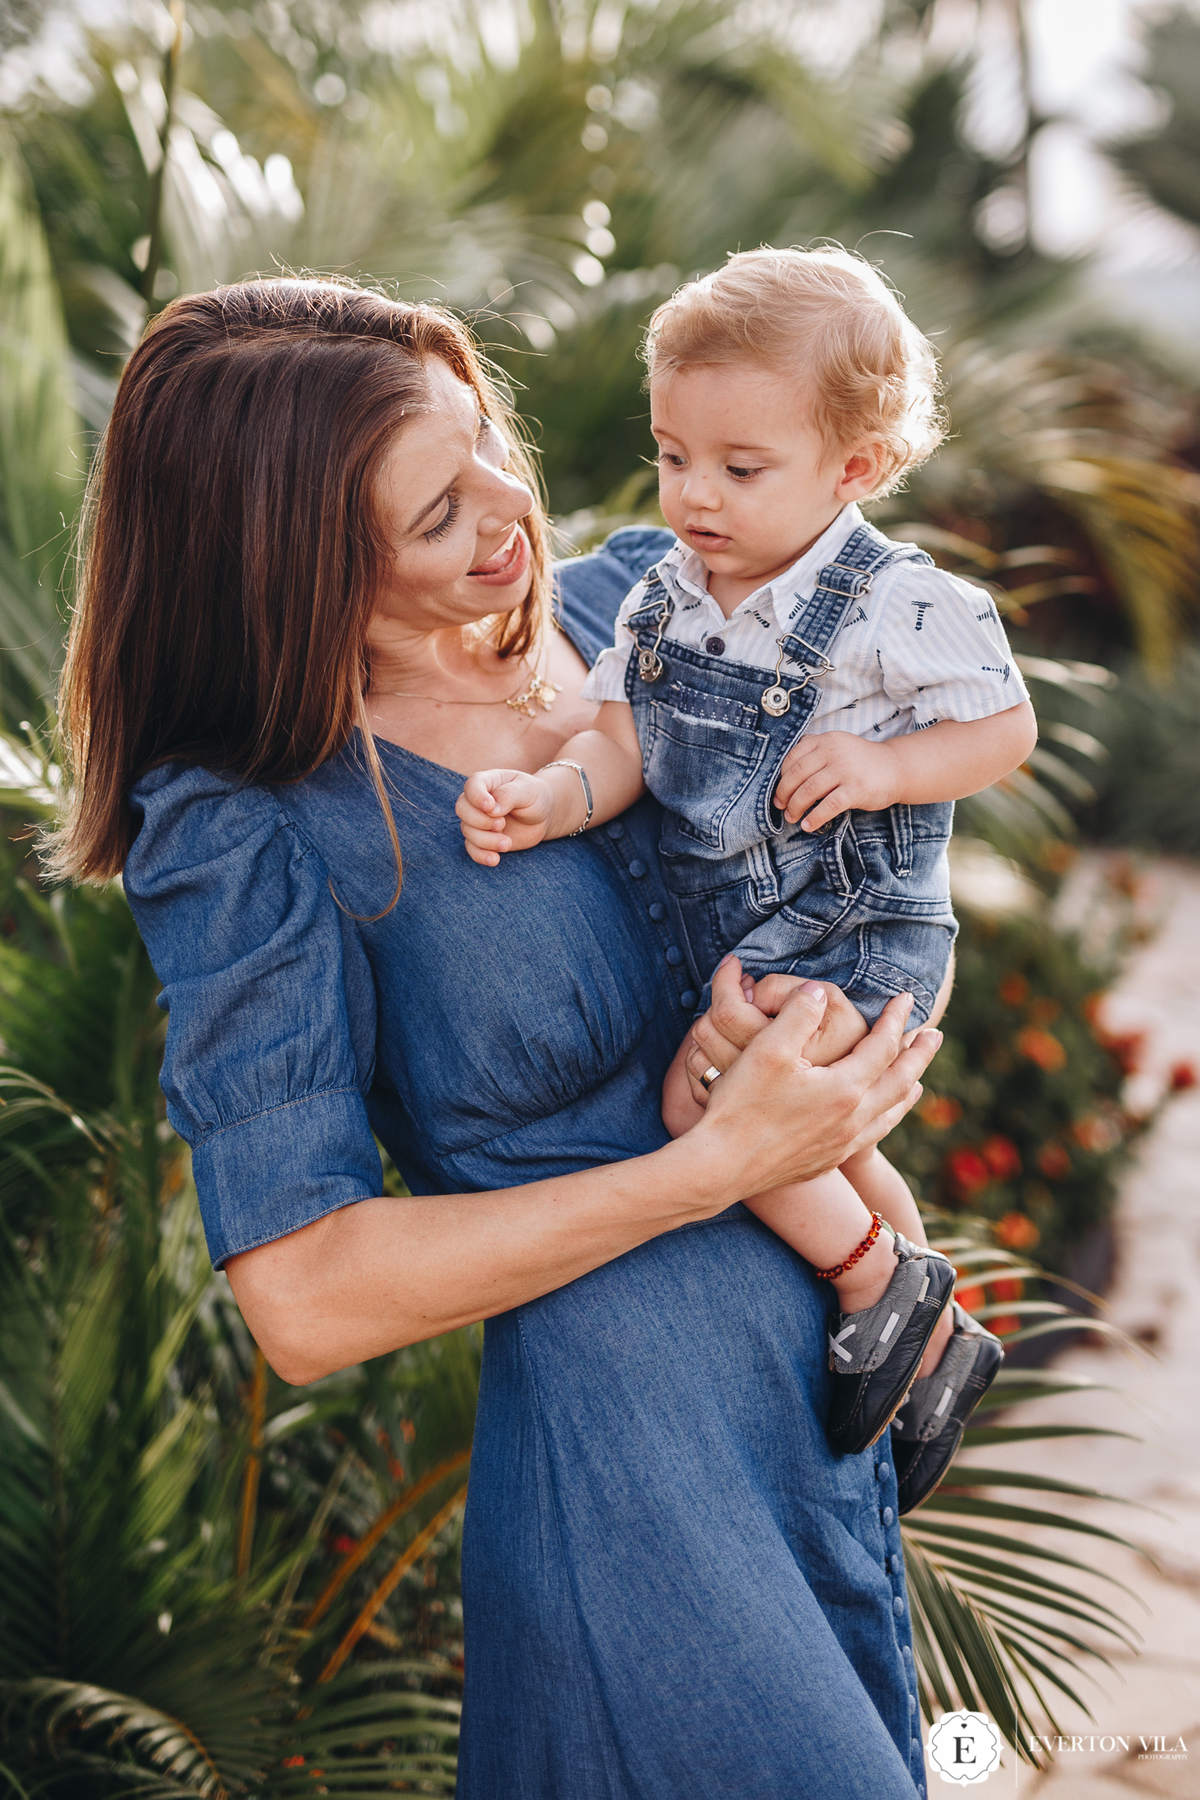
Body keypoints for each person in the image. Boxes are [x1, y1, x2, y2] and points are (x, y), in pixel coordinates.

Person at [52, 276, 946, 1799]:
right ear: (290, 569)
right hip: (635, 1467)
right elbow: (306, 1300)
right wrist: (716, 1165)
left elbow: (889, 818)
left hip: (833, 1403)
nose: (502, 509)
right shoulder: (257, 824)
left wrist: (850, 1094)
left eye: (482, 441)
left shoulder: (646, 607)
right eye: (429, 515)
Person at [457, 247, 1029, 1488]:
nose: (695, 496)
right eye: (672, 456)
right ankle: (932, 1345)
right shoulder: (667, 598)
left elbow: (1004, 728)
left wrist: (885, 772)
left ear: (855, 469)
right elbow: (619, 740)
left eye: (740, 468)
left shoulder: (897, 601)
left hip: (865, 933)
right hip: (764, 945)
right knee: (832, 1145)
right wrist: (554, 798)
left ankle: (880, 1285)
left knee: (705, 1105)